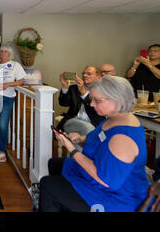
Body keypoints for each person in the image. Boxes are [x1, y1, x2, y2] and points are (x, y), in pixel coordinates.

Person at [40, 76, 149, 212]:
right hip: (100, 175)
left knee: (47, 185)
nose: (91, 104)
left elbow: (105, 180)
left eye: (97, 101)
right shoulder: (114, 117)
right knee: (54, 164)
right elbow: (99, 137)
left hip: (115, 197)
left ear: (117, 100)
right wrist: (79, 139)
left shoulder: (123, 138)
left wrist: (73, 150)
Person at [0, 44, 26, 163]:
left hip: (8, 98)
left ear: (10, 54)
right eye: (2, 51)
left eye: (6, 52)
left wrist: (7, 85)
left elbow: (20, 81)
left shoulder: (15, 65)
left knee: (3, 125)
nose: (3, 53)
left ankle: (2, 150)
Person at [57, 65, 105, 136]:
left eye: (89, 74)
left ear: (98, 77)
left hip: (94, 122)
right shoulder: (74, 88)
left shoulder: (103, 91)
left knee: (97, 135)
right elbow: (63, 103)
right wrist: (65, 86)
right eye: (83, 73)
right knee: (89, 129)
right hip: (73, 120)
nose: (85, 75)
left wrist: (83, 92)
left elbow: (96, 109)